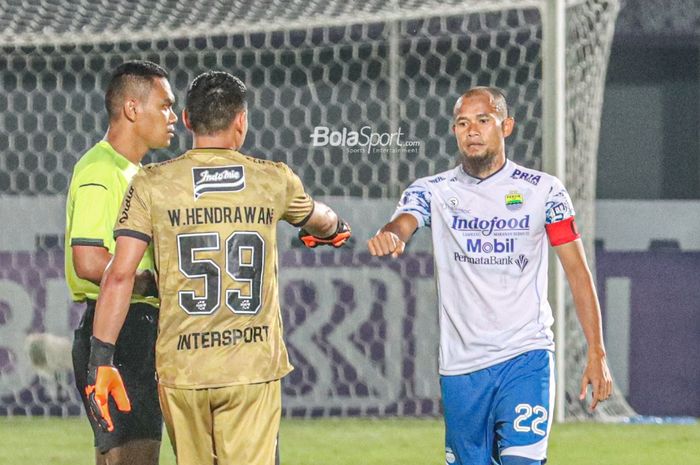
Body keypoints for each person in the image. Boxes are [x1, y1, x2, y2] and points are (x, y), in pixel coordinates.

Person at [87, 71, 351, 465]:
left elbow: (119, 274)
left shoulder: (151, 183)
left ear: (189, 120)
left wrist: (100, 360)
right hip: (250, 369)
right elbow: (322, 219)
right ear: (241, 121)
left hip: (183, 371)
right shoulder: (273, 180)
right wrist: (334, 230)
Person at [367, 86, 612, 465]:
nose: (472, 131)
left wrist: (596, 352)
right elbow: (404, 221)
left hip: (525, 356)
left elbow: (578, 273)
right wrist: (392, 236)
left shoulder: (543, 191)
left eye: (483, 120)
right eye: (463, 123)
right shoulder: (433, 190)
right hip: (461, 369)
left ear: (506, 126)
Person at [65, 60, 177, 465]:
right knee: (132, 459)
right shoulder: (101, 170)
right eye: (165, 106)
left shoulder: (136, 172)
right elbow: (90, 260)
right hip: (121, 332)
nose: (174, 117)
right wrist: (152, 282)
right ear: (132, 109)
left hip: (134, 329)